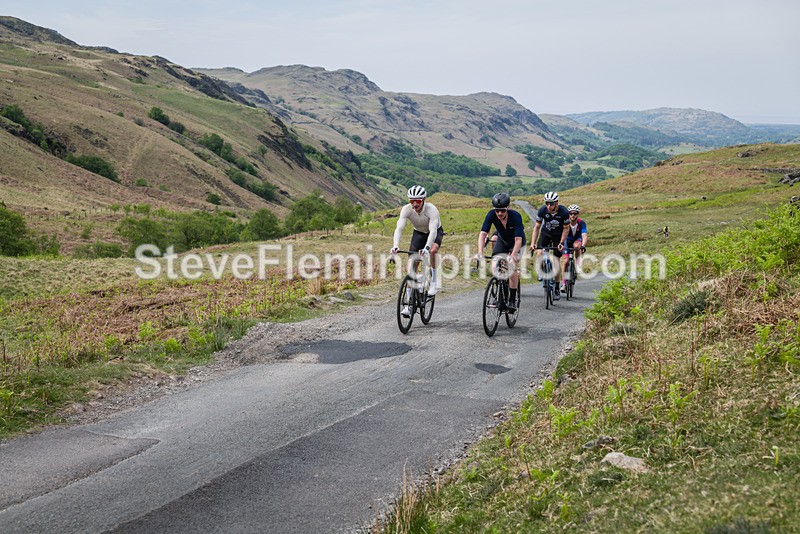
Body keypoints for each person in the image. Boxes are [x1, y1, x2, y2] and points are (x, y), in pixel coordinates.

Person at [390, 185, 444, 317]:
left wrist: (426, 248)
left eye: (418, 201)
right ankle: (409, 304)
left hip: (434, 232)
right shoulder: (406, 210)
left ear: (424, 199)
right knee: (411, 270)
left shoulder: (431, 210)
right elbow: (399, 228)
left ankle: (434, 281)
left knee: (432, 251)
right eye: (411, 201)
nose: (414, 204)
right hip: (418, 234)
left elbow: (433, 231)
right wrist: (395, 245)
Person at [476, 192, 525, 312]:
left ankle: (512, 299)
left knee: (511, 266)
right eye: (497, 210)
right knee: (495, 264)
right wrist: (480, 252)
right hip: (503, 240)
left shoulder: (515, 216)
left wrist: (513, 255)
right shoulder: (491, 215)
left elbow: (518, 240)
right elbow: (482, 234)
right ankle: (498, 293)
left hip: (516, 242)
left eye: (502, 210)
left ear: (508, 208)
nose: (499, 213)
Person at [529, 191, 570, 300]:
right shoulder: (542, 210)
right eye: (547, 203)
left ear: (556, 203)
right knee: (540, 252)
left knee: (556, 261)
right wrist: (533, 243)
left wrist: (561, 243)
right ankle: (541, 269)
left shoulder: (564, 212)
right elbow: (537, 227)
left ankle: (556, 288)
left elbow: (566, 229)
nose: (548, 206)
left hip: (558, 235)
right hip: (546, 234)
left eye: (551, 204)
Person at [561, 204, 587, 291]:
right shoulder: (566, 222)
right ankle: (564, 283)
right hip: (567, 241)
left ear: (578, 214)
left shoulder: (581, 223)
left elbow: (584, 235)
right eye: (571, 213)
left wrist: (583, 245)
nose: (573, 215)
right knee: (565, 262)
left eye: (575, 213)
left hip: (577, 239)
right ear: (568, 214)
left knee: (577, 246)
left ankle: (578, 264)